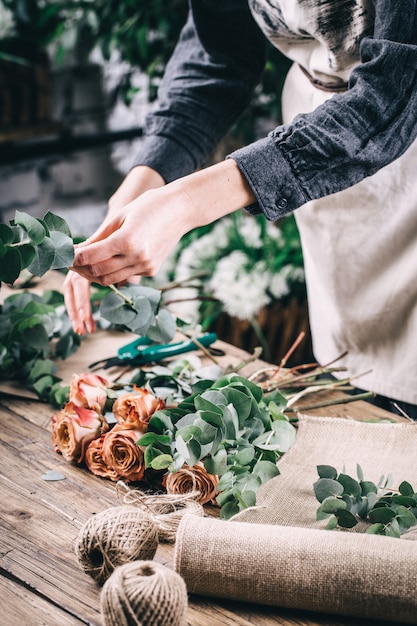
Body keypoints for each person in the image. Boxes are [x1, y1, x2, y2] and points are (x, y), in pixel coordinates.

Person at [64, 1, 417, 418]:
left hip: (404, 159)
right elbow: (219, 56)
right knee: (361, 383)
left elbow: (394, 91)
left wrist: (185, 204)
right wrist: (143, 182)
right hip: (321, 155)